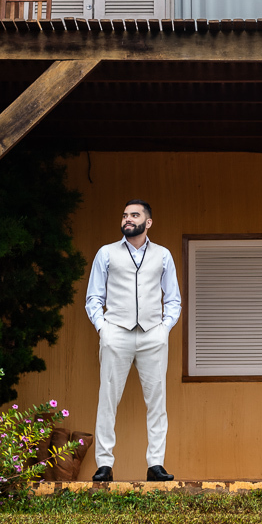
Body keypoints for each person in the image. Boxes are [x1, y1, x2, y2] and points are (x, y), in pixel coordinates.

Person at [84, 200, 181, 482]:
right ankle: (104, 464)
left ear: (148, 222)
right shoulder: (106, 253)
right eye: (125, 215)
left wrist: (164, 328)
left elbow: (173, 299)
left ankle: (156, 464)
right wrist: (103, 328)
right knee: (108, 400)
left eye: (134, 215)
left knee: (157, 401)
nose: (128, 219)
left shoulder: (163, 255)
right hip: (116, 332)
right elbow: (94, 297)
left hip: (153, 334)